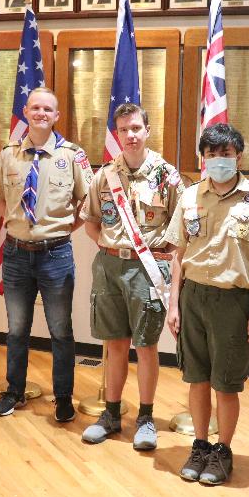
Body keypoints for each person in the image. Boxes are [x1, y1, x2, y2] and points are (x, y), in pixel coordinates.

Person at [165, 123, 249, 485]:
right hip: (193, 297)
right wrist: (173, 304)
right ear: (203, 158)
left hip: (232, 300)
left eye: (226, 154)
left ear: (238, 156)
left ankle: (223, 451)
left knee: (226, 382)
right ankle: (200, 445)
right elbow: (177, 254)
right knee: (197, 377)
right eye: (212, 154)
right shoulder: (189, 196)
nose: (219, 160)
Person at [80, 103, 181, 449]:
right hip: (109, 267)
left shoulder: (167, 176)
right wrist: (113, 247)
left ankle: (146, 418)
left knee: (146, 345)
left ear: (147, 130)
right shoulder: (104, 175)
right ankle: (110, 414)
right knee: (114, 343)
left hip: (147, 270)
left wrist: (152, 256)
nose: (131, 135)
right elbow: (91, 221)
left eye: (136, 128)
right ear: (117, 134)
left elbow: (181, 231)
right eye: (123, 130)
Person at [0, 87, 92, 421]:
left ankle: (62, 396)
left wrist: (60, 230)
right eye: (35, 108)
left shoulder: (72, 156)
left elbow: (87, 205)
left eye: (48, 109)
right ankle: (14, 391)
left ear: (56, 116)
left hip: (56, 254)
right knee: (17, 328)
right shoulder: (8, 155)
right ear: (25, 111)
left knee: (60, 330)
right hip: (17, 254)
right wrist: (17, 223)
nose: (41, 114)